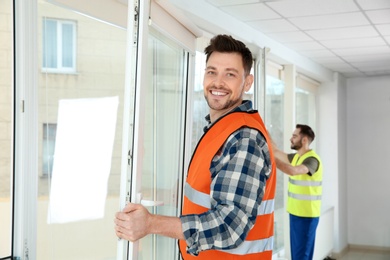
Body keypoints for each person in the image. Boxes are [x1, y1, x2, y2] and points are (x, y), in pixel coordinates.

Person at [114, 34, 276, 259]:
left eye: (230, 74)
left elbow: (230, 226)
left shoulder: (244, 138)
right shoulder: (220, 129)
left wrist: (151, 223)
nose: (218, 82)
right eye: (212, 72)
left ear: (247, 82)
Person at [271, 124, 323, 260]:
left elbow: (293, 171)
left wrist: (272, 160)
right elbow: (275, 151)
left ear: (304, 140)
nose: (290, 139)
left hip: (307, 216)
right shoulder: (296, 157)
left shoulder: (312, 160)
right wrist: (262, 128)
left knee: (301, 256)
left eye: (294, 136)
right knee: (297, 255)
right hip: (295, 213)